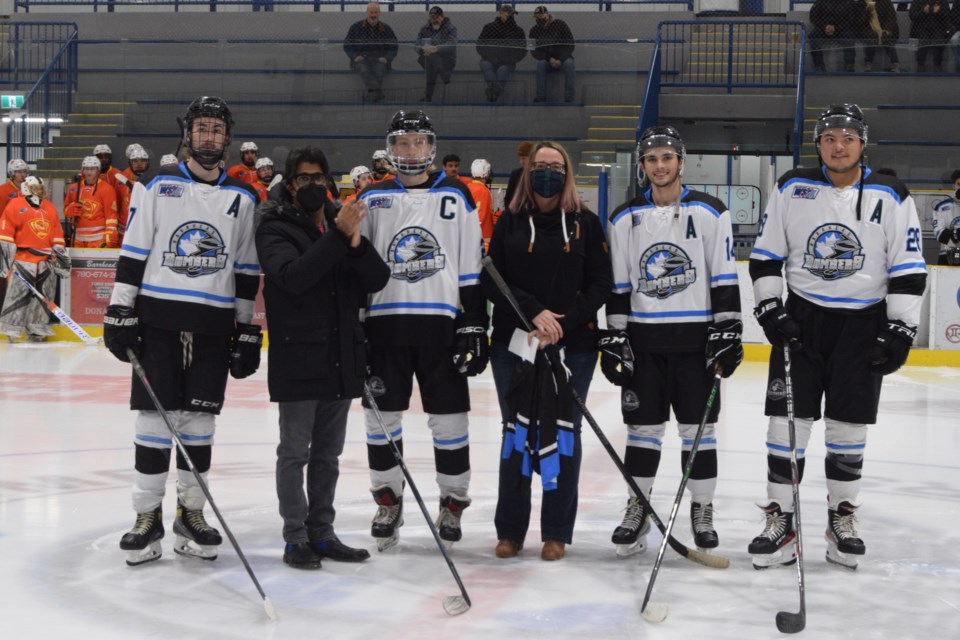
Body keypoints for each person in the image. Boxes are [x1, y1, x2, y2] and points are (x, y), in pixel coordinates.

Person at [747, 104, 927, 570]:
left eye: (848, 136)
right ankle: (781, 520)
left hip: (863, 324)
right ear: (819, 144)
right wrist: (770, 309)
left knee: (848, 429)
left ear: (862, 143)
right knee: (786, 427)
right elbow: (766, 256)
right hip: (803, 321)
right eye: (830, 137)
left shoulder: (891, 193)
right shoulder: (793, 186)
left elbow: (907, 268)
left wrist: (900, 329)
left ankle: (840, 520)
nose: (839, 145)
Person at [102, 96, 262, 567]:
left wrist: (246, 326)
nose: (209, 136)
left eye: (216, 129)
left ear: (227, 137)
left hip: (213, 326)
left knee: (200, 422)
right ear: (188, 133)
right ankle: (146, 516)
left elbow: (247, 268)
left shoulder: (244, 197)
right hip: (159, 321)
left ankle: (190, 514)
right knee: (154, 421)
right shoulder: (157, 186)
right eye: (202, 128)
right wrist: (119, 310)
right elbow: (134, 251)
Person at [602, 126, 742, 558]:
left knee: (698, 432)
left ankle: (702, 510)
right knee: (642, 432)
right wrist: (615, 335)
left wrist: (728, 329)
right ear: (641, 166)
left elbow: (723, 276)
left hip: (695, 342)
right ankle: (638, 508)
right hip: (645, 343)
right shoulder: (623, 218)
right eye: (651, 159)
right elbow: (619, 284)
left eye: (667, 157)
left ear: (681, 161)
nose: (659, 166)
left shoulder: (711, 212)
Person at [357, 110, 487, 552]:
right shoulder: (373, 198)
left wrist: (474, 321)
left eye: (417, 142)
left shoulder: (458, 194)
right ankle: (388, 499)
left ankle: (452, 503)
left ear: (430, 147)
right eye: (401, 143)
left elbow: (470, 264)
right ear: (389, 149)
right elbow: (359, 266)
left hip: (441, 327)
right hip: (385, 326)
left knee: (450, 421)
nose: (409, 151)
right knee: (382, 420)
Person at [256, 146, 389, 569]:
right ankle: (295, 537)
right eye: (303, 179)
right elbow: (293, 278)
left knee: (328, 455)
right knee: (294, 452)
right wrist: (337, 237)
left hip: (340, 356)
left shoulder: (338, 222)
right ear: (289, 184)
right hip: (298, 356)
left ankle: (322, 531)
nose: (312, 186)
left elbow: (377, 278)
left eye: (319, 179)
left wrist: (353, 243)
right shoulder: (273, 226)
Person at [481, 140, 612, 561]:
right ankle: (511, 531)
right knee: (516, 437)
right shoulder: (510, 222)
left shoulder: (586, 224)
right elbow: (492, 279)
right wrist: (535, 313)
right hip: (514, 345)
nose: (546, 172)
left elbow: (599, 285)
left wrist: (563, 324)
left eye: (555, 166)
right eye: (539, 165)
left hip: (572, 348)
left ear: (567, 172)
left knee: (564, 437)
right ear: (527, 170)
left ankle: (556, 531)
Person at [0, 176, 69, 343]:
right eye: (36, 188)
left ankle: (37, 327)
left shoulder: (49, 207)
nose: (40, 191)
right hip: (23, 259)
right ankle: (11, 327)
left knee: (45, 295)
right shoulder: (15, 205)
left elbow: (57, 233)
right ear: (26, 188)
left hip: (46, 260)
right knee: (18, 294)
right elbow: (5, 232)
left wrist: (60, 257)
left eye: (40, 188)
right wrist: (5, 259)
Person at [344, 2, 398, 103]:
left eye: (375, 12)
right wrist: (355, 56)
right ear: (366, 13)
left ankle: (372, 95)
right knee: (363, 69)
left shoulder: (386, 28)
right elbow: (347, 44)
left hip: (379, 59)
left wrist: (387, 58)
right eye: (371, 12)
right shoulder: (356, 27)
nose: (373, 15)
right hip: (361, 59)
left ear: (379, 13)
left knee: (380, 71)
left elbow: (394, 45)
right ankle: (378, 93)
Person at [64, 156, 120, 248]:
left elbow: (111, 215)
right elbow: (66, 210)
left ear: (98, 170)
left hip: (98, 239)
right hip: (78, 238)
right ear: (82, 170)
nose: (89, 172)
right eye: (86, 169)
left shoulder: (107, 189)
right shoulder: (73, 188)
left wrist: (110, 234)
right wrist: (70, 209)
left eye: (92, 169)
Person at [477, 4, 527, 103]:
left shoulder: (518, 30)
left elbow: (522, 50)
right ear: (501, 14)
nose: (511, 16)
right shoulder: (489, 27)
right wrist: (491, 58)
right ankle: (495, 91)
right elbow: (480, 46)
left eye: (512, 14)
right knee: (485, 65)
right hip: (489, 59)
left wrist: (508, 60)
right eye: (509, 14)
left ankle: (493, 92)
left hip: (508, 62)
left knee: (503, 69)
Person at [529, 6, 576, 103]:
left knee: (569, 64)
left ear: (547, 14)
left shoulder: (560, 24)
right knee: (540, 65)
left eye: (541, 15)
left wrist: (560, 59)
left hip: (563, 59)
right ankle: (541, 96)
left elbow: (570, 45)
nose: (539, 18)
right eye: (537, 17)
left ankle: (569, 96)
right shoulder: (533, 30)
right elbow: (532, 50)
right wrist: (549, 59)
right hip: (547, 60)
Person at [809, 0, 867, 72]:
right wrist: (824, 26)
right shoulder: (821, 1)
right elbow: (813, 16)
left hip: (843, 29)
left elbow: (851, 20)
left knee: (849, 36)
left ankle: (849, 65)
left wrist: (836, 28)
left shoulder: (849, 2)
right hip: (824, 28)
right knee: (813, 35)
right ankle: (819, 65)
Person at [416, 7, 458, 103]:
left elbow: (452, 45)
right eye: (431, 18)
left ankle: (428, 96)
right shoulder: (424, 28)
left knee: (431, 62)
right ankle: (442, 73)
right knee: (430, 58)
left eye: (436, 18)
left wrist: (437, 48)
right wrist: (423, 49)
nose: (433, 20)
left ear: (442, 17)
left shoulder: (451, 28)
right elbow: (416, 45)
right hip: (428, 57)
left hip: (446, 59)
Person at [910, 0, 952, 71]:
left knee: (938, 41)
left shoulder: (943, 1)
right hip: (921, 27)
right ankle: (921, 65)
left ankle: (937, 65)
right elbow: (911, 15)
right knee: (922, 41)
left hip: (938, 27)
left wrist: (939, 12)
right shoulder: (917, 1)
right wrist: (923, 12)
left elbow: (948, 16)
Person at [931, 168, 960, 264]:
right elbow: (941, 235)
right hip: (947, 256)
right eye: (959, 184)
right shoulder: (941, 207)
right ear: (954, 186)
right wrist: (957, 233)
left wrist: (952, 234)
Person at [863, 0, 901, 72]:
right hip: (870, 28)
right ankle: (868, 63)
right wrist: (869, 13)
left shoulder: (886, 2)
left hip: (886, 27)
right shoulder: (864, 3)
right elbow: (861, 21)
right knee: (871, 36)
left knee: (887, 37)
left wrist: (886, 29)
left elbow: (892, 17)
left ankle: (895, 63)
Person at [466, 158, 495, 249]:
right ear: (486, 173)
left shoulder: (467, 187)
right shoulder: (483, 191)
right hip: (482, 241)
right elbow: (480, 217)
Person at [504, 140, 533, 208]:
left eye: (524, 158)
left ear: (532, 157)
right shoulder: (515, 174)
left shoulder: (539, 175)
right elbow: (508, 199)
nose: (521, 162)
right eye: (520, 159)